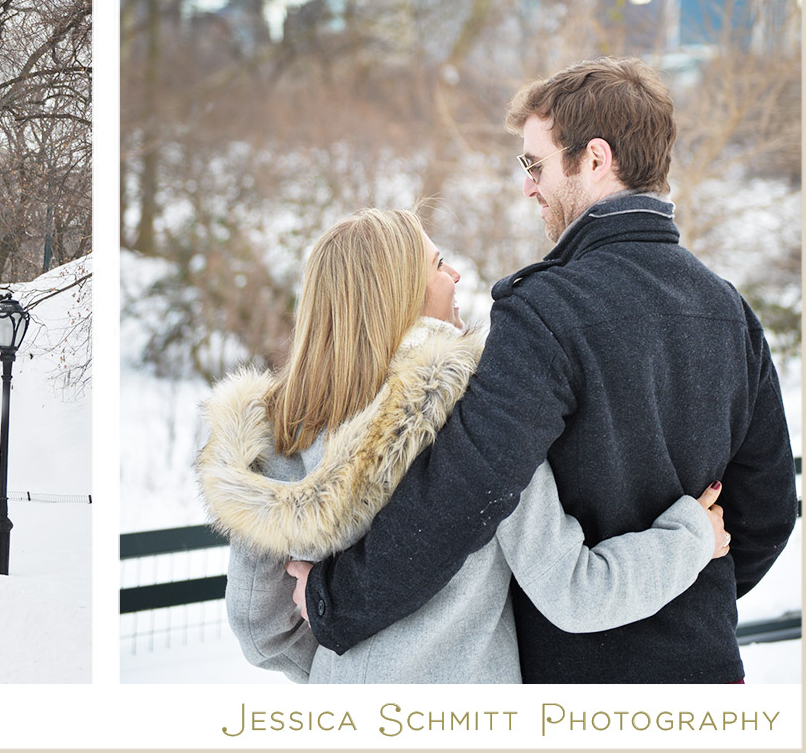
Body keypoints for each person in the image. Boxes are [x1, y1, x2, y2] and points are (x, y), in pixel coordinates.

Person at [289, 58, 797, 683]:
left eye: (536, 164)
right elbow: (768, 510)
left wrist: (333, 601)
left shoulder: (544, 313)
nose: (527, 186)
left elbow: (463, 498)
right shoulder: (728, 310)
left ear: (595, 159)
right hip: (707, 676)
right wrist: (684, 590)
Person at [197, 208, 730, 682]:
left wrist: (349, 673)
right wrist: (691, 538)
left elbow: (259, 625)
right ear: (396, 293)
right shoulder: (477, 408)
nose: (455, 275)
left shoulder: (276, 438)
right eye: (438, 264)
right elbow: (574, 590)